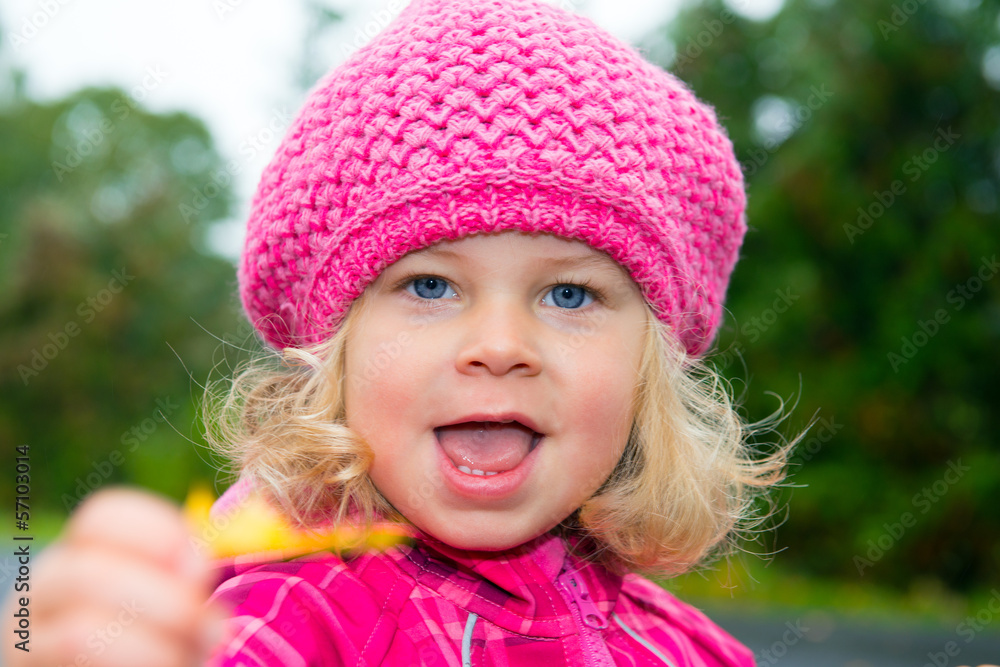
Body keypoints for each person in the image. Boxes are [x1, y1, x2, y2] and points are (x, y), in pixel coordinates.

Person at [5, 0, 800, 664]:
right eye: (429, 285)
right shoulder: (284, 623)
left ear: (650, 367)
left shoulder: (681, 645)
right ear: (333, 357)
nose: (499, 343)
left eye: (568, 293)